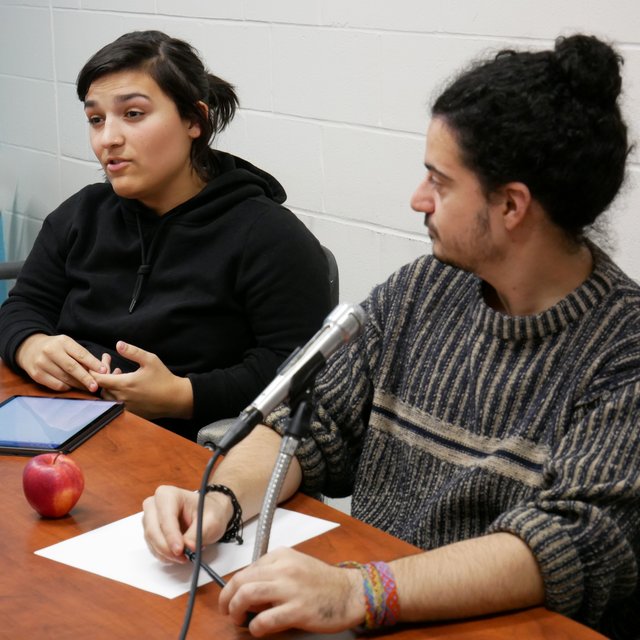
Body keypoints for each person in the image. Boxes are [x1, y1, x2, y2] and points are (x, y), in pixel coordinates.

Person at [142, 34, 640, 638]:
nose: (417, 199)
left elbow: (568, 540)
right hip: (372, 604)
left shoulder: (623, 348)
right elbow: (311, 422)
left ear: (511, 206)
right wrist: (218, 501)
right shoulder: (424, 288)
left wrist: (360, 590)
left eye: (440, 181)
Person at [0, 31, 331, 440]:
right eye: (96, 119)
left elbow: (301, 371)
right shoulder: (81, 214)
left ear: (194, 119)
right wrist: (29, 344)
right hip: (61, 426)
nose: (108, 139)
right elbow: (24, 305)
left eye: (133, 114)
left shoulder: (268, 236)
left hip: (187, 455)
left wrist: (185, 396)